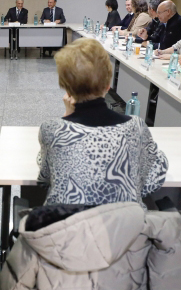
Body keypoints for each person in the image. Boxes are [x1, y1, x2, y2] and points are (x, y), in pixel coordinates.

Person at [38, 38, 169, 206]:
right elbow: (153, 179)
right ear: (108, 85)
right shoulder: (135, 127)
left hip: (68, 228)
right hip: (124, 228)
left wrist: (67, 115)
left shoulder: (52, 129)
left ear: (66, 87)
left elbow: (45, 177)